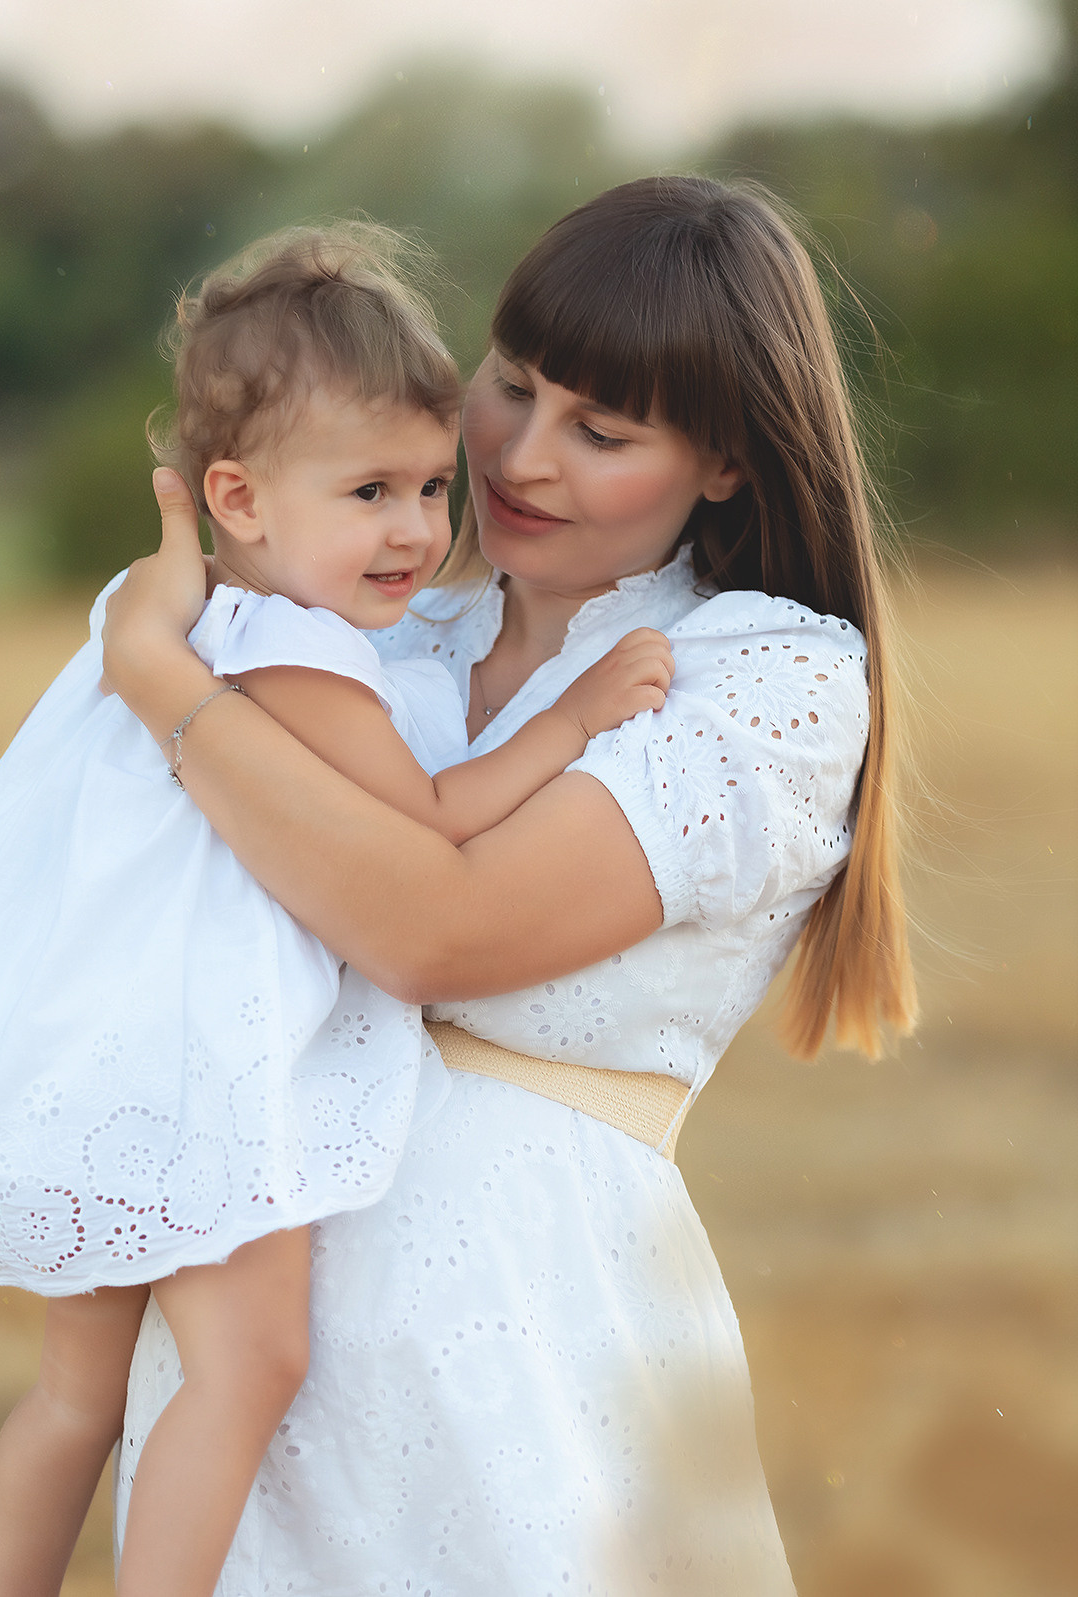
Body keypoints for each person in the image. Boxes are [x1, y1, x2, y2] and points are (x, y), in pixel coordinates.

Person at [102, 175, 917, 1595]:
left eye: (601, 431)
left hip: (529, 1340)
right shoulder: (368, 637)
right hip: (252, 1338)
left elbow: (438, 931)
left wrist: (167, 684)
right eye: (513, 385)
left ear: (724, 462)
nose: (523, 456)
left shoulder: (764, 674)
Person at [0, 226, 674, 1597]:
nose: (418, 529)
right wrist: (576, 722)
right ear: (238, 497)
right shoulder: (292, 651)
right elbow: (424, 824)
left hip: (107, 1051)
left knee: (79, 1389)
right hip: (202, 1066)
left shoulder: (175, 619)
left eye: (432, 486)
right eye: (369, 490)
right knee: (253, 1362)